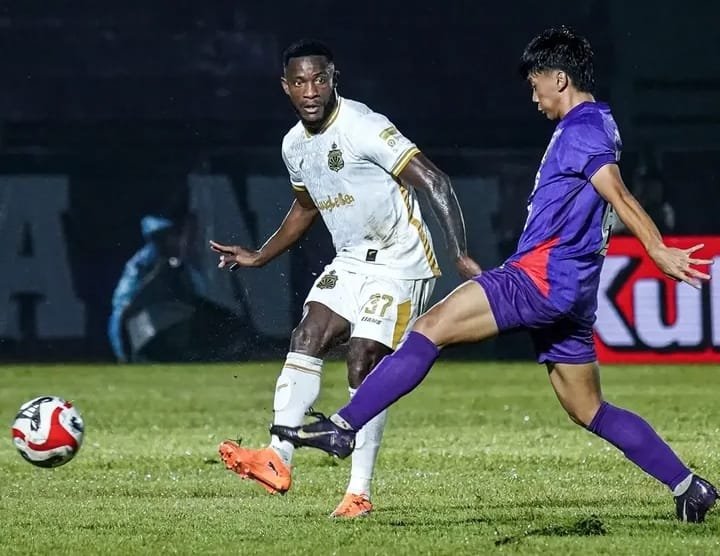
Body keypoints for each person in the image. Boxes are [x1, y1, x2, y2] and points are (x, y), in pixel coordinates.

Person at [272, 27, 718, 523]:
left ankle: (343, 427)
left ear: (559, 78)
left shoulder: (583, 128)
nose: (534, 96)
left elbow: (618, 193)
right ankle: (689, 487)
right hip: (572, 290)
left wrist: (656, 247)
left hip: (539, 278)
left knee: (428, 329)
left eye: (535, 84)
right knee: (588, 408)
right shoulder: (599, 122)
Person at [210, 39, 481, 518]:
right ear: (286, 87)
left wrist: (459, 252)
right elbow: (305, 206)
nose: (310, 90)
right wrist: (260, 256)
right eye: (300, 82)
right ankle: (278, 457)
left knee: (363, 358)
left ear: (334, 78)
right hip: (352, 260)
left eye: (319, 79)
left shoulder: (363, 125)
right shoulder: (293, 145)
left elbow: (435, 180)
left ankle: (359, 493)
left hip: (400, 262)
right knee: (306, 336)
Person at [108, 215, 206, 362]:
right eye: (170, 235)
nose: (174, 239)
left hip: (142, 319)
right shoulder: (147, 262)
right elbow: (128, 303)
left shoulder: (172, 263)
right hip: (132, 322)